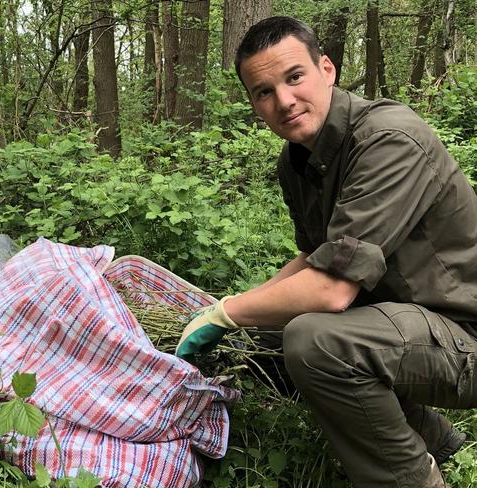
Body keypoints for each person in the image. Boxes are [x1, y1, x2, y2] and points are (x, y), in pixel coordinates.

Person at [175, 16, 477, 488]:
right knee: (267, 335)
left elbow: (333, 287)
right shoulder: (297, 161)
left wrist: (227, 314)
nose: (284, 101)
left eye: (294, 77)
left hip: (467, 335)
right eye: (263, 92)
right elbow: (319, 257)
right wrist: (238, 307)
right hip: (411, 322)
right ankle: (436, 441)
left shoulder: (387, 138)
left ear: (327, 69)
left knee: (315, 341)